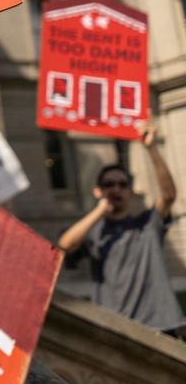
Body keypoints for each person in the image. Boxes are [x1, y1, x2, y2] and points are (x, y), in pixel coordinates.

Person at [58, 127, 184, 336]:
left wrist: (151, 148)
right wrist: (100, 210)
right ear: (98, 190)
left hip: (161, 325)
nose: (116, 189)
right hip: (116, 329)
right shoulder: (93, 232)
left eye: (122, 184)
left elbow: (169, 195)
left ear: (129, 191)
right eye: (109, 184)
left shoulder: (146, 225)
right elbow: (64, 246)